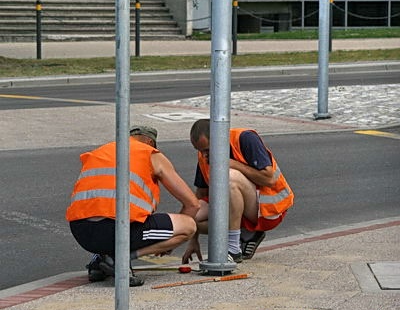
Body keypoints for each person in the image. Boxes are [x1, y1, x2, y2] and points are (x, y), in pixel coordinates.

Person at [66, 126, 200, 286]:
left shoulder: (101, 152)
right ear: (150, 142)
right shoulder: (150, 153)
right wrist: (168, 241)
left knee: (108, 210)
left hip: (82, 233)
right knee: (189, 226)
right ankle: (119, 260)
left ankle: (100, 259)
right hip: (116, 232)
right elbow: (192, 204)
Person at [182, 119, 294, 264]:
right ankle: (244, 234)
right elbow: (200, 196)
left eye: (207, 150)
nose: (204, 155)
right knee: (190, 216)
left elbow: (269, 179)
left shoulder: (245, 138)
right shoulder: (204, 155)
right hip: (237, 210)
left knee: (229, 176)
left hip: (267, 210)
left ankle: (233, 249)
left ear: (220, 138)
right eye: (200, 150)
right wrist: (192, 239)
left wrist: (229, 163)